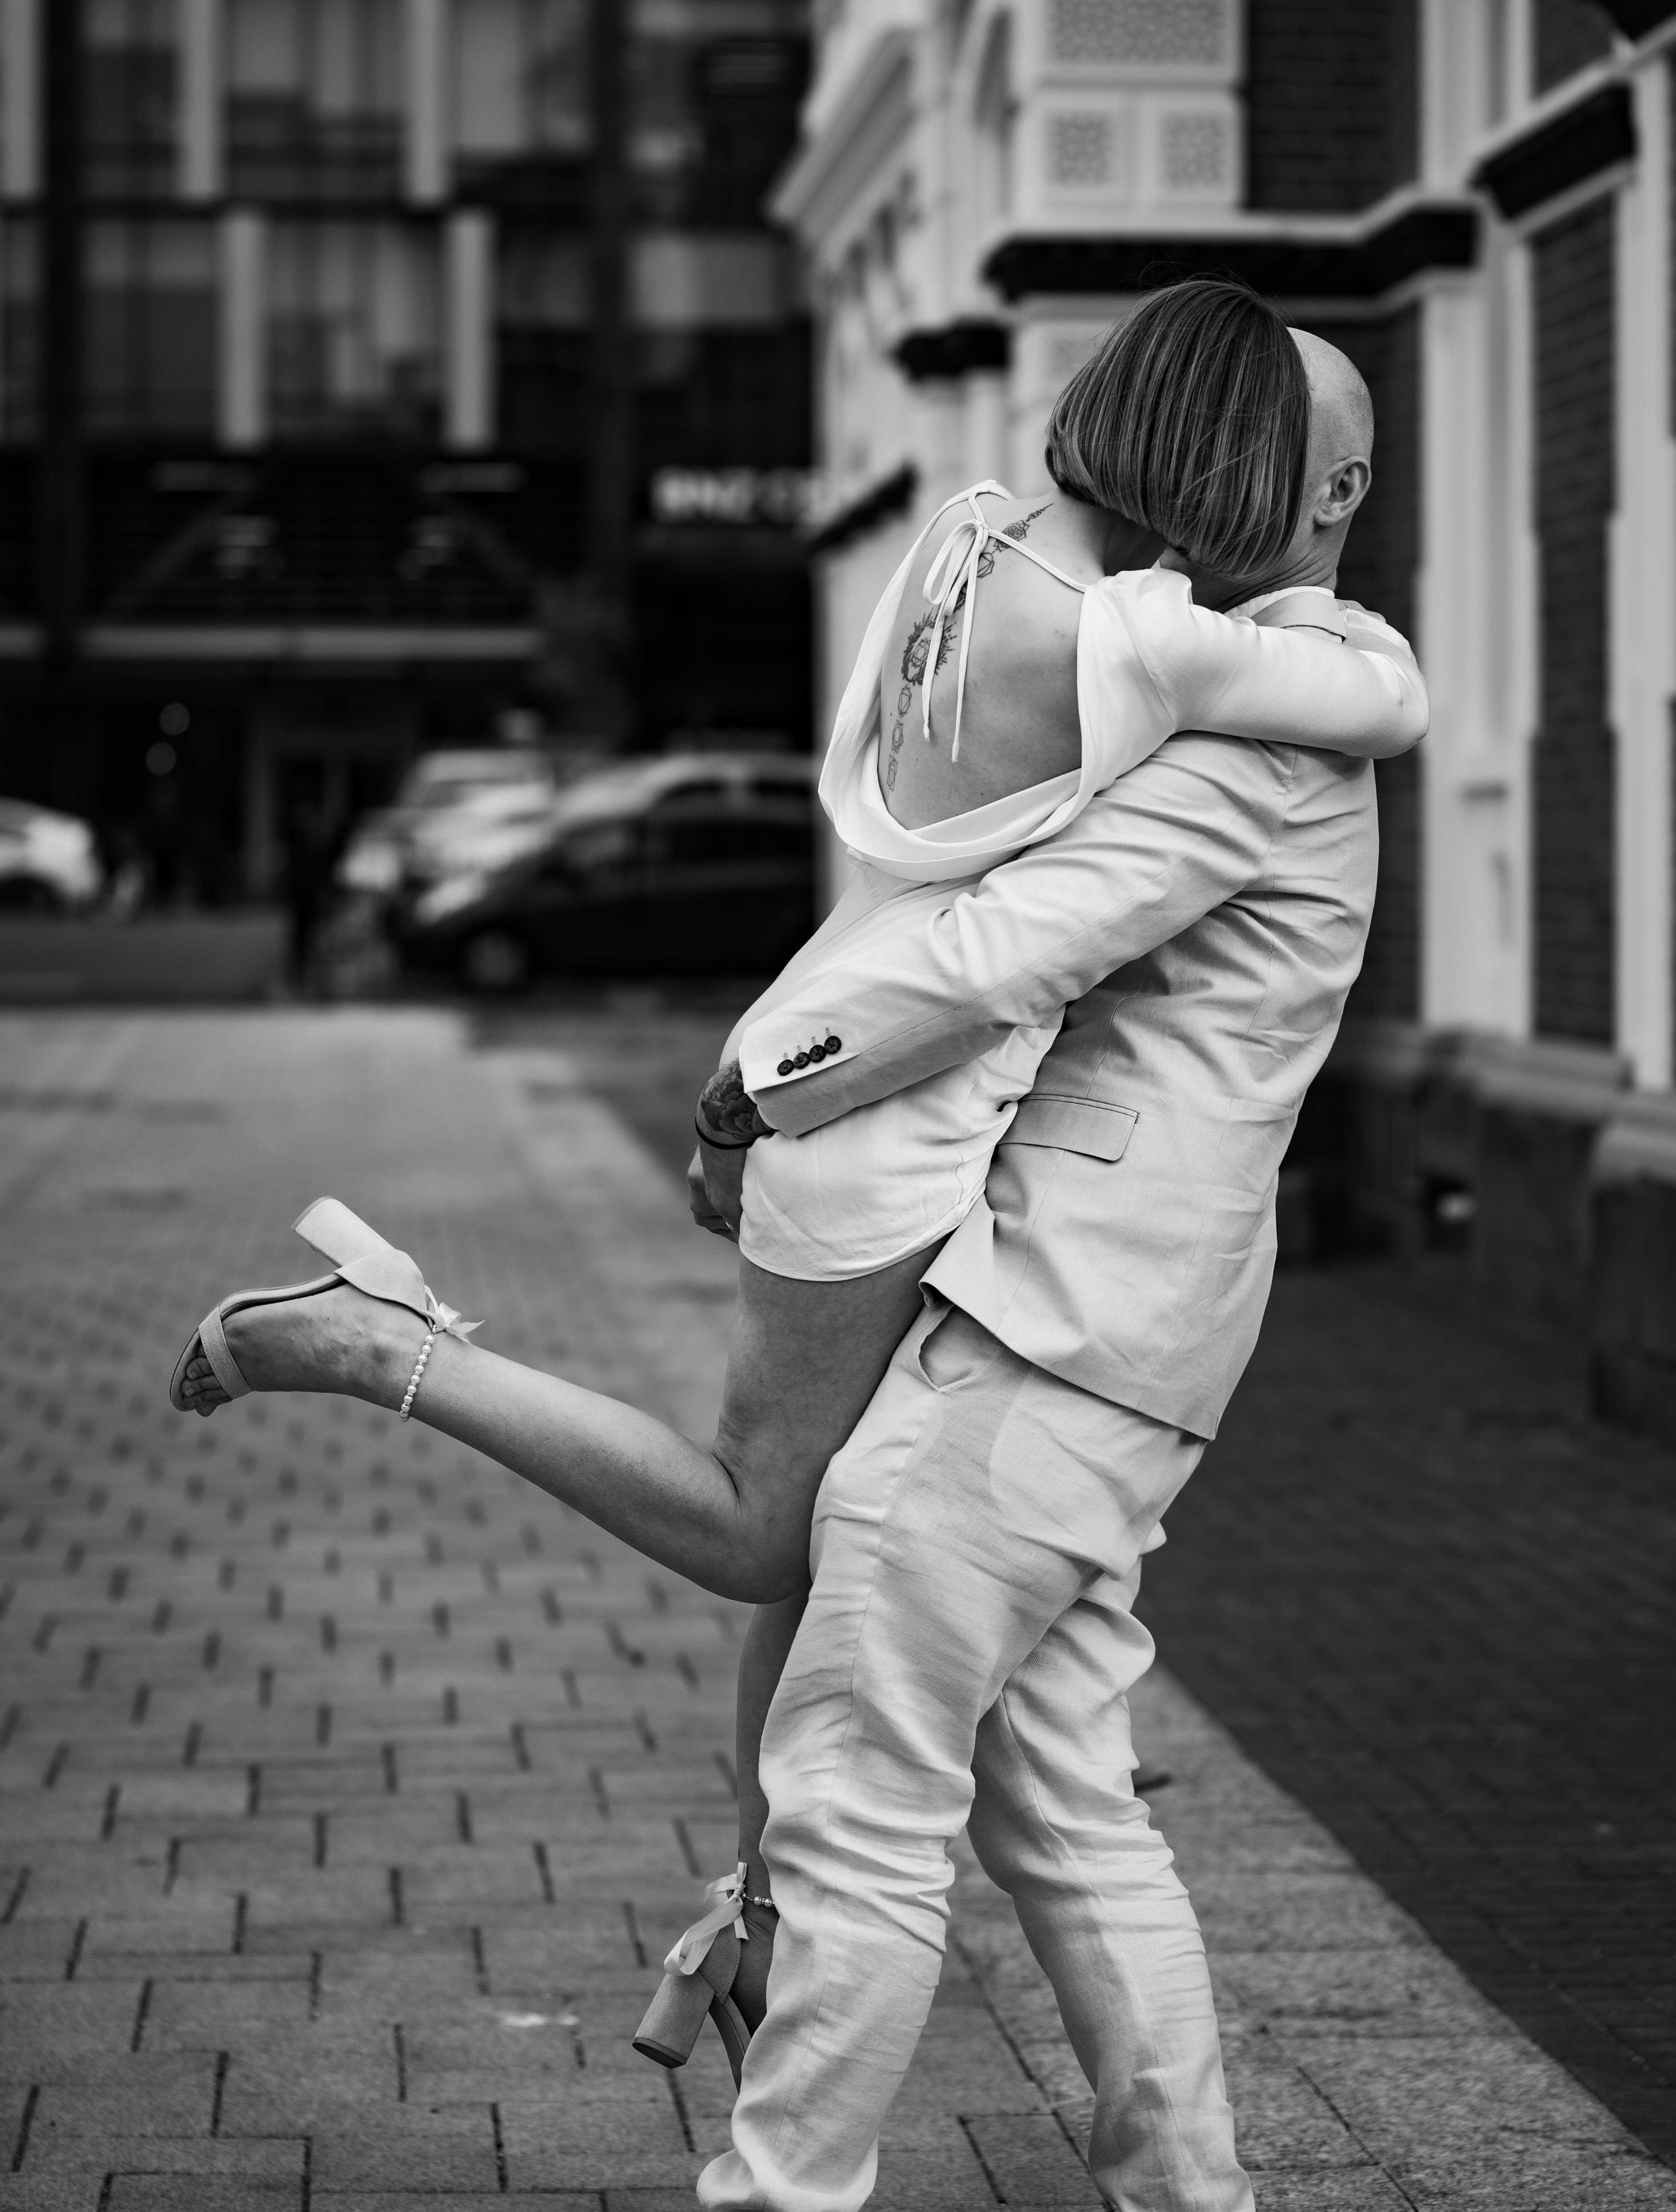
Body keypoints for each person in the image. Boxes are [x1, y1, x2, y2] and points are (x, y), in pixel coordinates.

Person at [170, 293, 1396, 2202]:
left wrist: (758, 1086)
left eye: (1246, 452)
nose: (1201, 485)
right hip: (1094, 1323)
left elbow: (987, 951)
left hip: (1051, 1336)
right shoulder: (1190, 654)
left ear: (1311, 492)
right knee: (1065, 1809)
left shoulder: (1260, 720)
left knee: (857, 1796)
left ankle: (781, 2192)